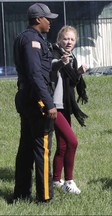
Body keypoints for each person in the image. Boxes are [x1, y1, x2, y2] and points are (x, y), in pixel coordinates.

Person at [13, 3, 58, 203]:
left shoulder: (27, 38)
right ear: (38, 19)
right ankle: (45, 197)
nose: (50, 22)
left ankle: (21, 194)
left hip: (26, 97)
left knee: (26, 148)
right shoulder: (32, 40)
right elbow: (35, 74)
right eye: (48, 18)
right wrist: (49, 103)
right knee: (42, 148)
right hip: (36, 99)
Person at [50, 25, 88, 194]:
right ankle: (69, 182)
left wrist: (78, 73)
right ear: (59, 39)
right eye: (65, 38)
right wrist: (61, 63)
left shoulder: (72, 57)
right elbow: (52, 69)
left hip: (66, 106)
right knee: (73, 142)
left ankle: (57, 180)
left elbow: (71, 83)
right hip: (54, 107)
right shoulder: (54, 53)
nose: (68, 42)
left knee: (63, 145)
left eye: (72, 39)